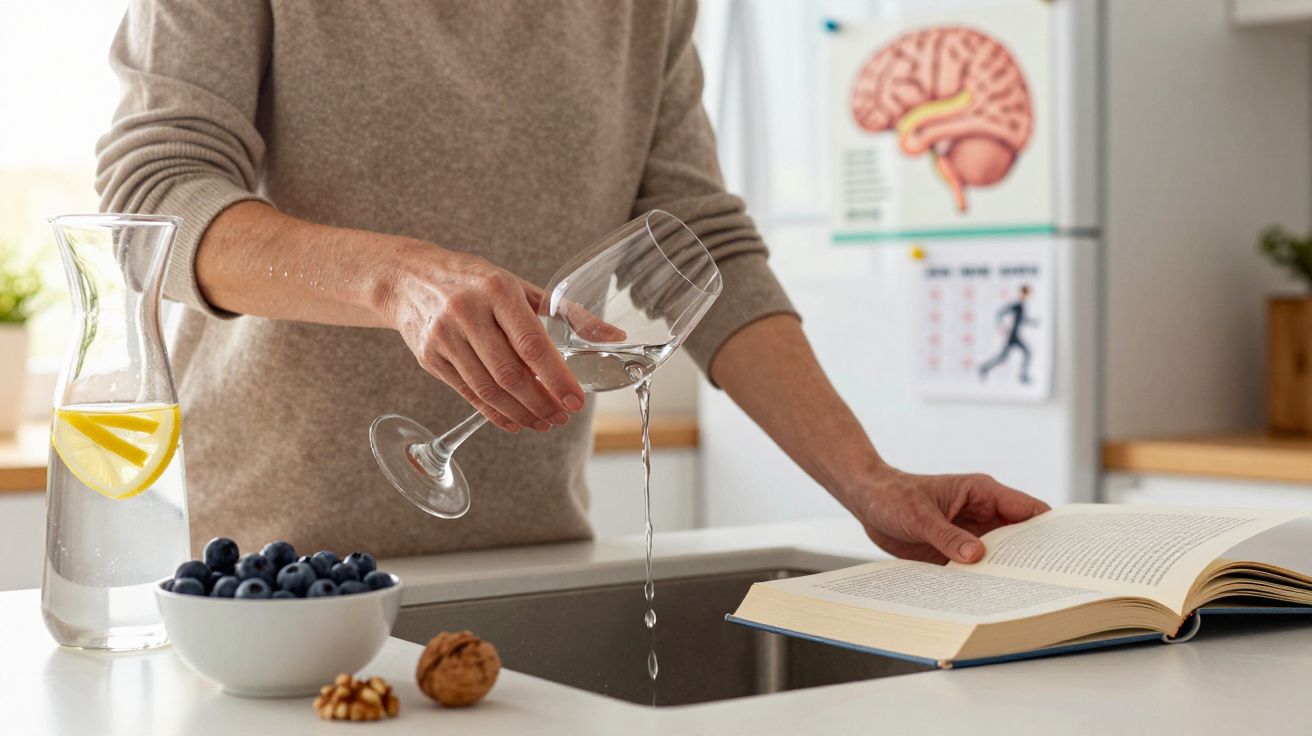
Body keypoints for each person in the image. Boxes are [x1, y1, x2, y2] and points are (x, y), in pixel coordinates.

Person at [96, 1, 1049, 563]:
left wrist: (868, 480)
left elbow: (701, 249)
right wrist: (397, 280)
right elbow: (155, 194)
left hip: (539, 555)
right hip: (280, 570)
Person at [979, 285, 1035, 384]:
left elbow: (1023, 320)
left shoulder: (1022, 306)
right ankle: (984, 368)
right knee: (1005, 357)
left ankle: (985, 368)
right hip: (1013, 335)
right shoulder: (1016, 305)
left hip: (1016, 335)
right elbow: (1000, 313)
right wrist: (1002, 327)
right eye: (1025, 294)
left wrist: (1033, 322)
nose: (1026, 296)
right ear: (1021, 293)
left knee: (1006, 357)